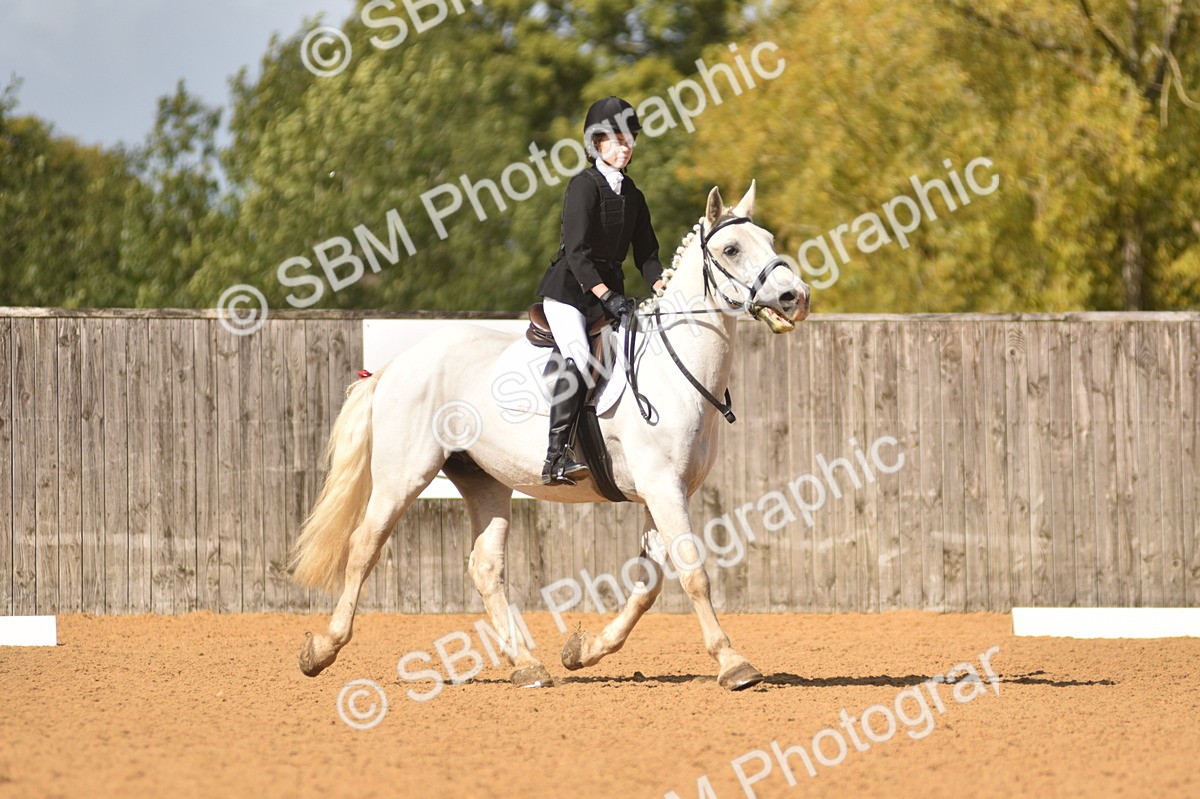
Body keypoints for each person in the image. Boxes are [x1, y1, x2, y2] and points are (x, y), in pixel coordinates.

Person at [536, 96, 666, 486]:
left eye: (630, 139)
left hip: (609, 296)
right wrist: (607, 295)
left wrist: (663, 285)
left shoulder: (635, 196)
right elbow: (577, 253)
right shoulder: (583, 186)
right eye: (615, 139)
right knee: (579, 357)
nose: (625, 146)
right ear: (596, 143)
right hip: (570, 293)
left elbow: (648, 255)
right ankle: (555, 456)